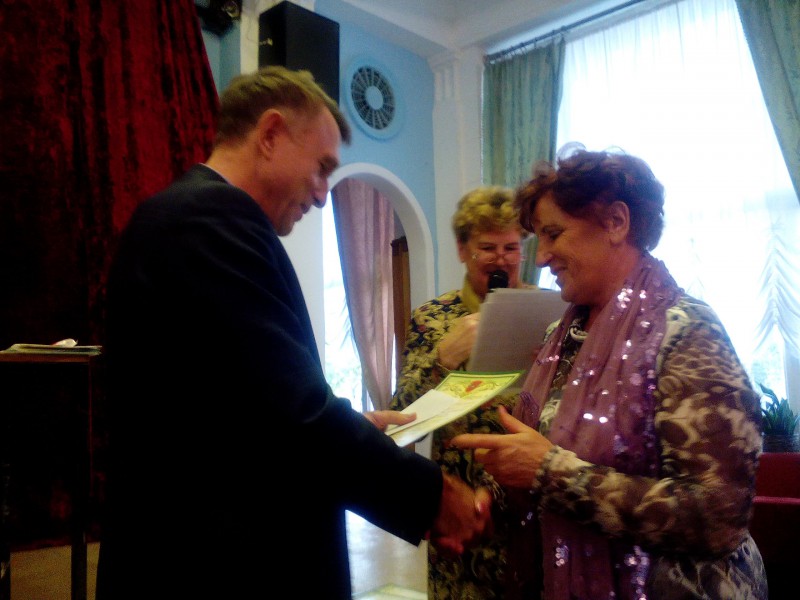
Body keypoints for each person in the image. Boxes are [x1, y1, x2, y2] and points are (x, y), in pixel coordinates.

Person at [96, 66, 491, 600]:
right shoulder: (210, 217)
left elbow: (236, 411)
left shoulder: (192, 218)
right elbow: (293, 415)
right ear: (270, 134)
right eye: (321, 168)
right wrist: (433, 496)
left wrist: (347, 426)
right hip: (217, 566)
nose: (324, 195)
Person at [452, 145, 768, 599]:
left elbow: (717, 516)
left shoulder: (688, 332)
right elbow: (538, 453)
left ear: (617, 222)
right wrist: (488, 501)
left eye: (554, 234)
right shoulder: (562, 337)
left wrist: (551, 473)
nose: (540, 258)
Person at [390, 186, 529, 598]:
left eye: (511, 247)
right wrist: (442, 361)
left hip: (527, 510)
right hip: (460, 512)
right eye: (487, 248)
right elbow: (402, 418)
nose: (501, 259)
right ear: (462, 250)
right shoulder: (432, 319)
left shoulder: (550, 314)